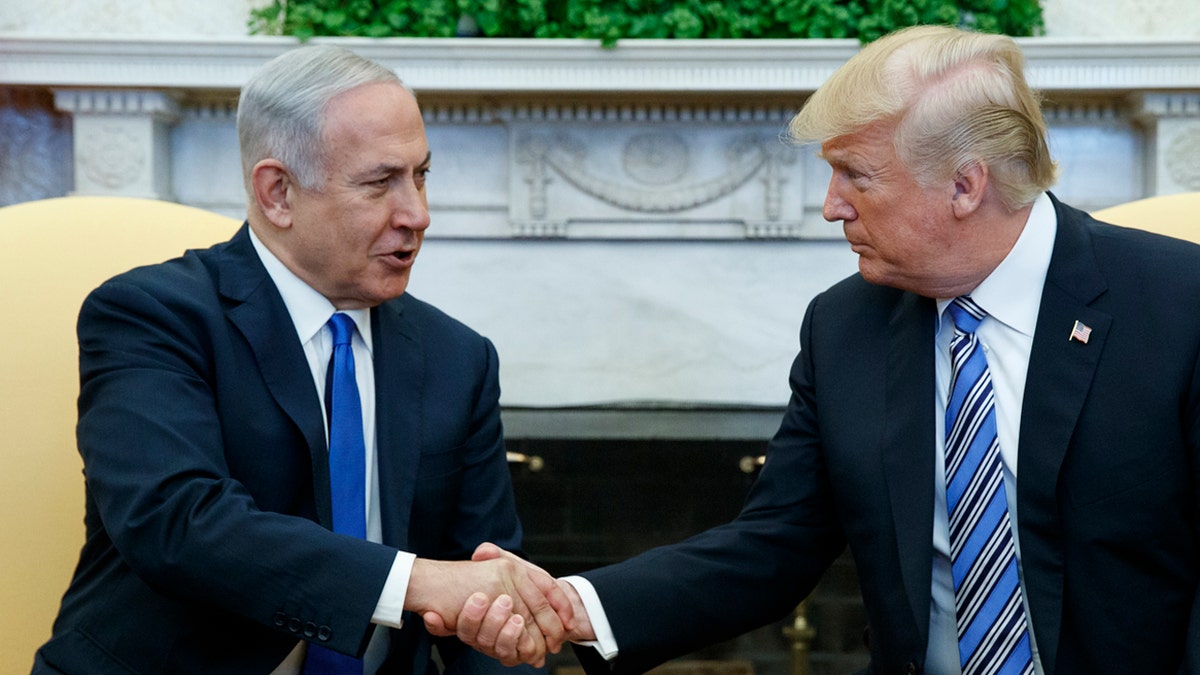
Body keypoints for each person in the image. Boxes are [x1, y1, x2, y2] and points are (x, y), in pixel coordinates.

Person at [446, 24, 1200, 674]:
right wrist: (574, 604)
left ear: (965, 186)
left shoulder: (1177, 306)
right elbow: (774, 543)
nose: (832, 205)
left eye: (856, 177)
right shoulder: (846, 327)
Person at [32, 45, 573, 675]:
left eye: (421, 175)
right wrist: (415, 581)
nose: (418, 215)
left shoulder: (460, 358)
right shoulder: (151, 315)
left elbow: (487, 597)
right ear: (278, 192)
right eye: (381, 182)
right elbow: (177, 523)